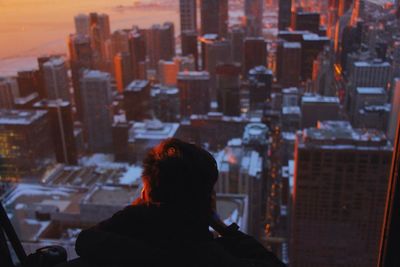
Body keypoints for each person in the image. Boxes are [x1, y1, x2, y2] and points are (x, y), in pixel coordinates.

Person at [73, 138, 286, 267]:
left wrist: (139, 209)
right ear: (208, 201)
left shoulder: (118, 252)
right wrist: (223, 228)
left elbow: (86, 240)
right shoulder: (214, 257)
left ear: (146, 192)